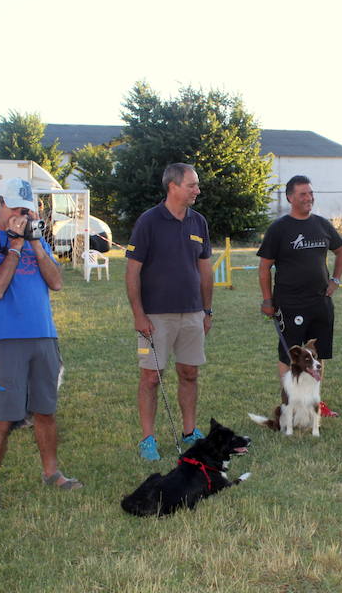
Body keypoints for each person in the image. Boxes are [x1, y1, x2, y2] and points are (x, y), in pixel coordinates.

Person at [0, 177, 81, 513]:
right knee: (2, 416)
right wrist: (15, 243)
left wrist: (34, 243)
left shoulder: (34, 239)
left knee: (45, 411)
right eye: (17, 209)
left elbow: (57, 283)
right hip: (6, 338)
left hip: (44, 335)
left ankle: (52, 473)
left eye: (28, 211)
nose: (23, 216)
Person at [125, 163, 213, 461]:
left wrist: (207, 310)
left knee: (189, 373)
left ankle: (190, 432)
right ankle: (148, 439)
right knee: (151, 377)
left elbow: (205, 269)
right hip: (155, 316)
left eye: (196, 185)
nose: (197, 190)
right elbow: (132, 271)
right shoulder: (149, 222)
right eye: (192, 185)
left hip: (192, 314)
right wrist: (139, 314)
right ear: (173, 187)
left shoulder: (198, 222)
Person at [257, 175, 342, 407]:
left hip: (320, 302)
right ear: (290, 197)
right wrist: (268, 300)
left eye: (310, 193)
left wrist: (335, 280)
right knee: (289, 355)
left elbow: (341, 251)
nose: (309, 198)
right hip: (290, 304)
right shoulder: (279, 229)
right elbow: (264, 268)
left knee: (317, 355)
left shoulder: (322, 224)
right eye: (302, 194)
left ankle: (314, 403)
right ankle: (291, 402)